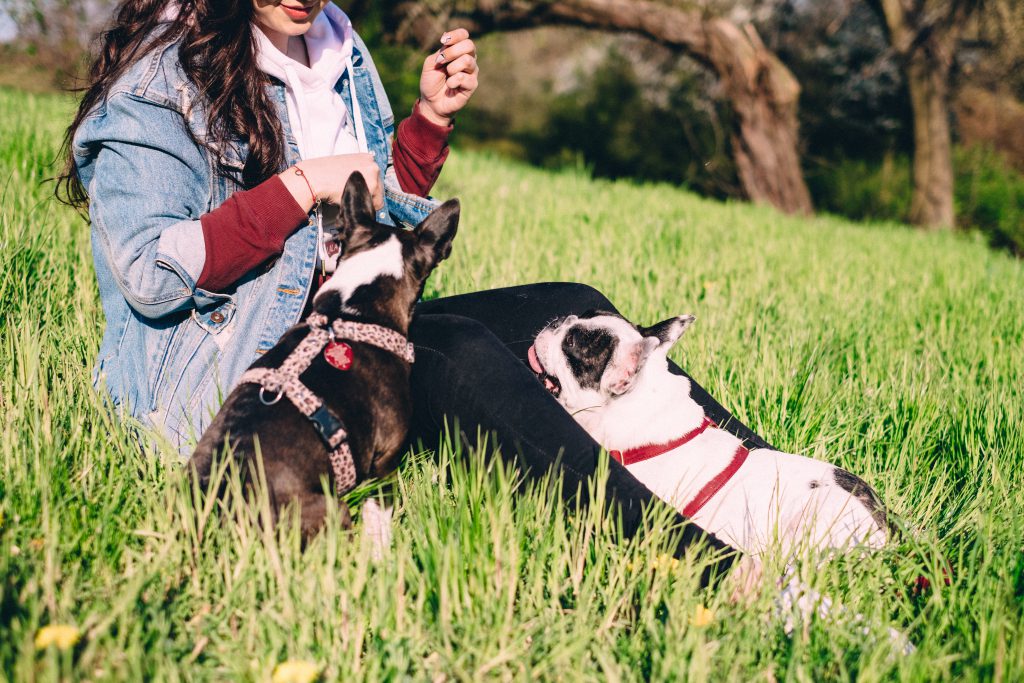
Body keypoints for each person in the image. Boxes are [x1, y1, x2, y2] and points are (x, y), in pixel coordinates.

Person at [60, 0, 770, 585]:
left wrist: (427, 123)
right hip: (243, 389)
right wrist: (300, 188)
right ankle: (707, 567)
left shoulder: (333, 44)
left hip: (343, 328)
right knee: (456, 349)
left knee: (569, 300)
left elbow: (370, 222)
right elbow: (152, 273)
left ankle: (765, 486)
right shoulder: (162, 79)